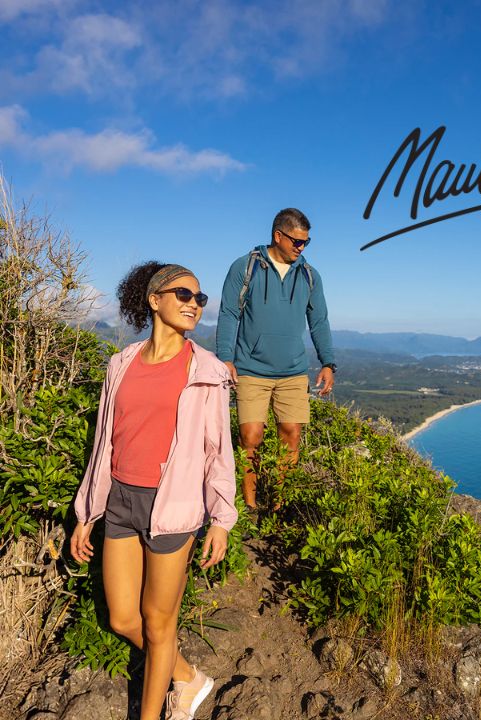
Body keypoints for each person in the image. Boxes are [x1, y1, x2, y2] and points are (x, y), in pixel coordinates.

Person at [71, 262, 237, 720]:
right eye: (183, 294)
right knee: (124, 618)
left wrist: (222, 519)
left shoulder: (207, 370)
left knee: (159, 624)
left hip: (173, 504)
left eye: (200, 299)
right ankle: (187, 677)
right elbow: (105, 440)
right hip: (121, 500)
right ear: (154, 299)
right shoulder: (120, 363)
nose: (194, 305)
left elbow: (218, 449)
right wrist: (88, 510)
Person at [216, 208, 336, 512]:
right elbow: (229, 313)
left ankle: (280, 505)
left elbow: (319, 321)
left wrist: (328, 362)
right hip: (251, 369)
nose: (301, 247)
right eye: (296, 241)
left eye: (306, 242)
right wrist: (225, 358)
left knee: (291, 437)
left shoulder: (310, 275)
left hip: (294, 371)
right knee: (250, 436)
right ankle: (251, 506)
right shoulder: (245, 268)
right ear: (277, 236)